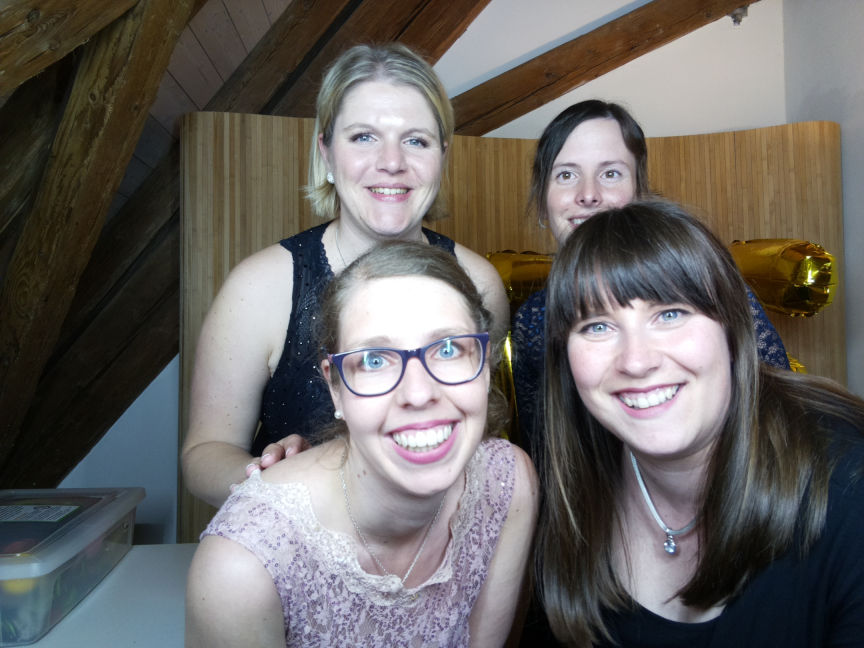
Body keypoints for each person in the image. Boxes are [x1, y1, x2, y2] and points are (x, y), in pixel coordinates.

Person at [181, 43, 509, 507]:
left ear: (442, 155)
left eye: (416, 140)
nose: (391, 162)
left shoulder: (479, 284)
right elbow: (204, 454)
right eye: (363, 137)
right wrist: (268, 477)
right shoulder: (260, 288)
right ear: (326, 153)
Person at [536, 200, 864, 647]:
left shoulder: (848, 487)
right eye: (597, 326)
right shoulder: (567, 496)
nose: (636, 361)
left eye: (669, 314)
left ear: (731, 329)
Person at [185, 241, 538, 647]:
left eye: (447, 348)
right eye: (374, 359)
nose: (418, 393)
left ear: (485, 367)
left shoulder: (508, 483)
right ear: (335, 389)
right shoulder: (240, 567)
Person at [510, 100, 789, 452]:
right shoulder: (532, 320)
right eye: (566, 175)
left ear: (640, 190)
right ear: (542, 199)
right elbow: (544, 454)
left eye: (611, 173)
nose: (589, 195)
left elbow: (781, 417)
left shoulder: (701, 281)